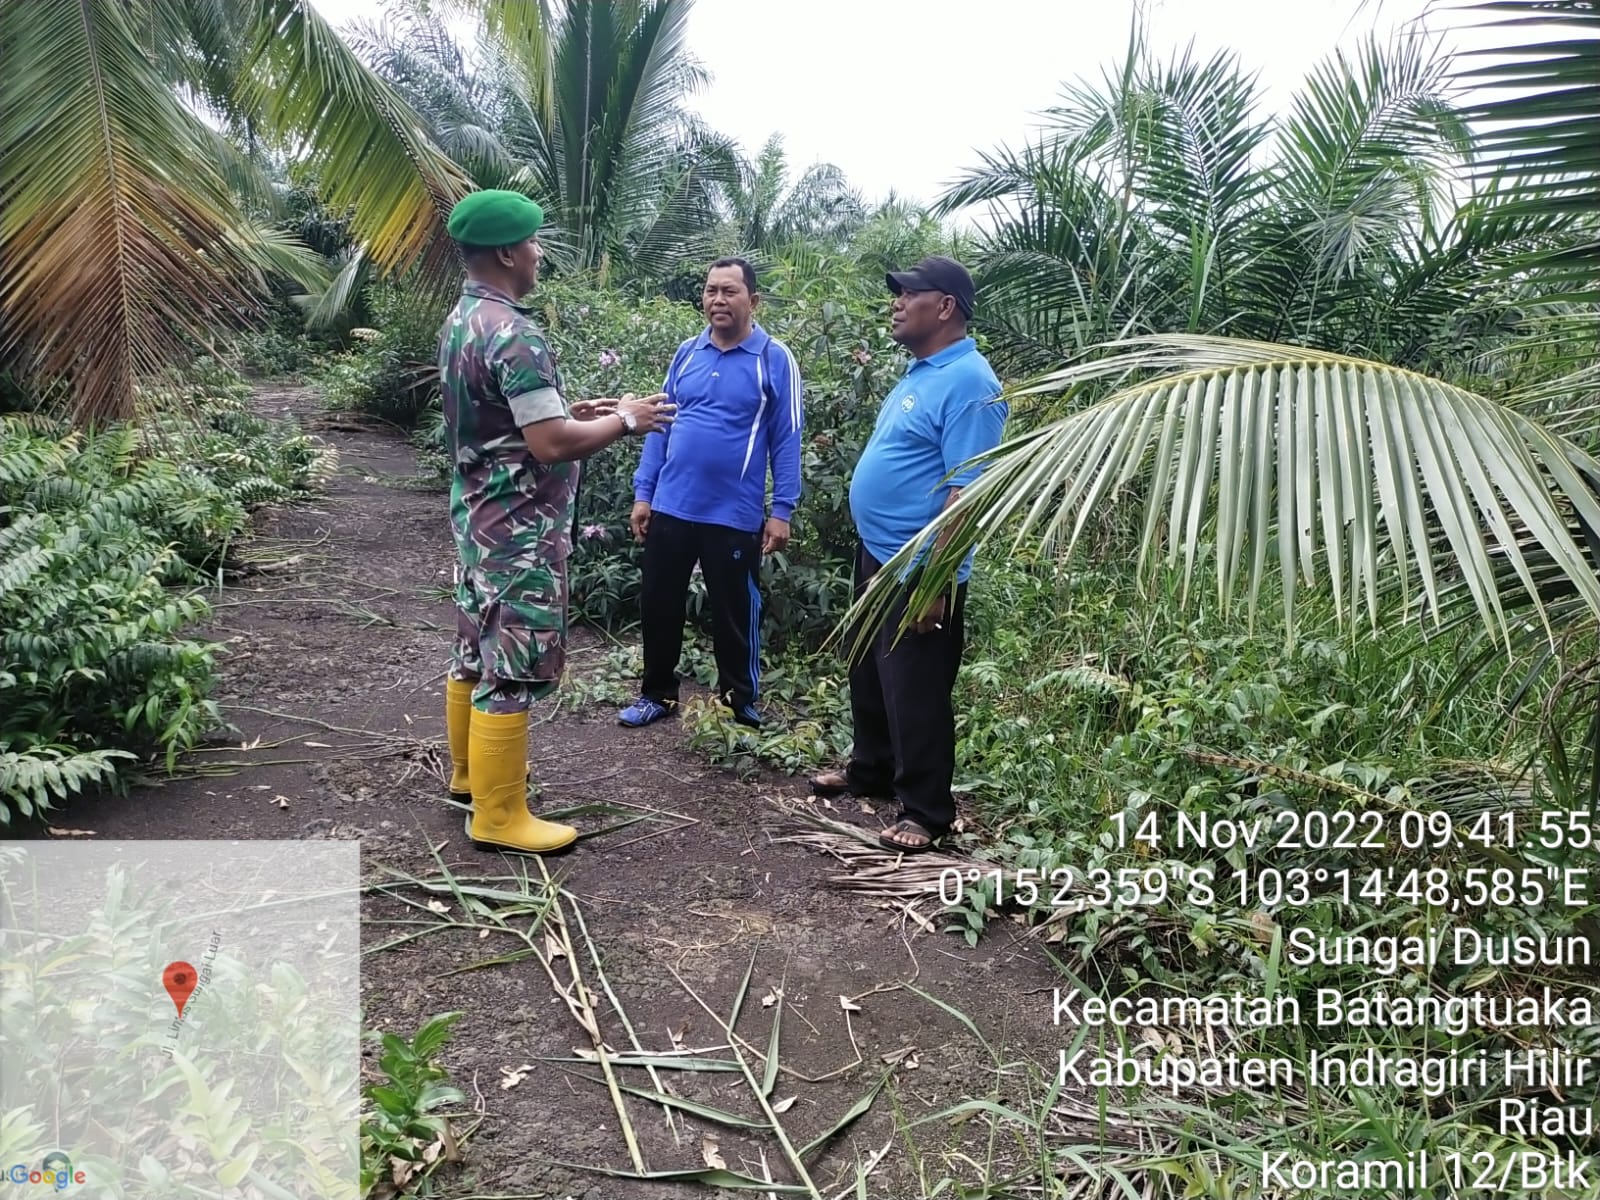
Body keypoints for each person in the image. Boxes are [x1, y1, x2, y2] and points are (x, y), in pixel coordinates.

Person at [439, 189, 675, 854]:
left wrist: (588, 409)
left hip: (477, 518)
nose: (540, 254)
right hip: (518, 530)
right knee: (510, 665)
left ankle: (468, 778)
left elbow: (512, 418)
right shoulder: (516, 333)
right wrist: (626, 422)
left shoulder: (466, 320)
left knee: (472, 651)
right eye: (535, 243)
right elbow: (549, 444)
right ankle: (499, 815)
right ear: (510, 252)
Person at [809, 256, 1007, 854]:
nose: (895, 302)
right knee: (869, 672)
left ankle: (926, 810)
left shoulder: (972, 382)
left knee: (916, 687)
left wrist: (935, 580)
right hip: (881, 552)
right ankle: (869, 768)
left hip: (920, 567)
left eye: (907, 293)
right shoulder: (922, 371)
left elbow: (965, 491)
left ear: (944, 306)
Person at [617, 257, 803, 730]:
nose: (718, 300)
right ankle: (657, 694)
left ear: (753, 301)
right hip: (672, 505)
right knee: (659, 602)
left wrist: (781, 510)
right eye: (710, 291)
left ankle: (738, 701)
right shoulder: (687, 353)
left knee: (734, 610)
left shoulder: (774, 359)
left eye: (729, 291)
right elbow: (659, 426)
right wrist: (644, 493)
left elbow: (787, 437)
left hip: (734, 513)